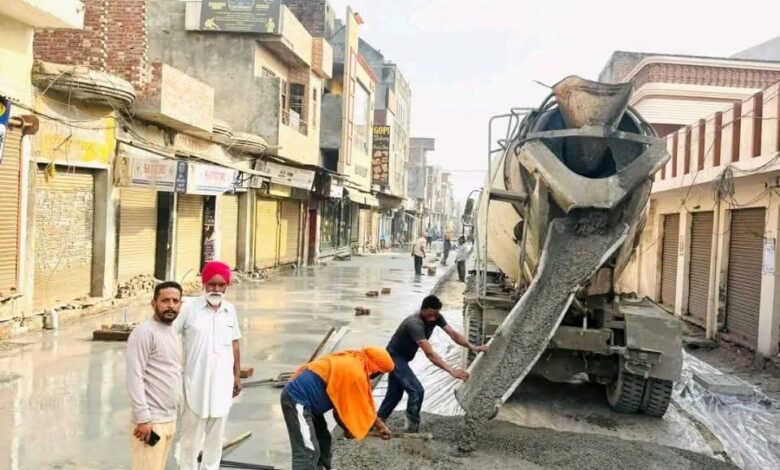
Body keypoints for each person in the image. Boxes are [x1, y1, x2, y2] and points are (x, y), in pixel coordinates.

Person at [377, 295, 488, 432]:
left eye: (436, 314)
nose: (433, 318)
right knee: (416, 391)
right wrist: (451, 370)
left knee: (395, 393)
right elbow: (429, 354)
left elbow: (453, 334)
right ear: (423, 309)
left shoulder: (436, 317)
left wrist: (472, 346)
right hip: (393, 357)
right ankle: (412, 429)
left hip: (403, 359)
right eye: (430, 314)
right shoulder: (414, 324)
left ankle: (378, 421)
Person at [174, 261, 242, 470]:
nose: (216, 289)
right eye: (212, 284)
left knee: (216, 436)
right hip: (194, 381)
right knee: (191, 437)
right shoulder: (189, 309)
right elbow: (170, 336)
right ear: (204, 284)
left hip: (222, 382)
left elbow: (235, 343)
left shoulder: (230, 310)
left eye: (221, 285)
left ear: (226, 286)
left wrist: (236, 376)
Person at [281, 347, 395, 470]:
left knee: (323, 440)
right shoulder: (354, 372)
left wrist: (380, 426)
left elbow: (356, 405)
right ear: (376, 368)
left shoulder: (355, 361)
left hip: (311, 405)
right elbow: (341, 411)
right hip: (297, 400)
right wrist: (349, 430)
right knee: (307, 450)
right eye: (380, 372)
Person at [126, 281, 184, 470]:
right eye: (165, 300)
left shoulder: (172, 332)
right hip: (150, 422)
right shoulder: (144, 332)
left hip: (168, 419)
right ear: (154, 303)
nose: (171, 306)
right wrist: (143, 418)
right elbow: (134, 376)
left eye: (175, 301)